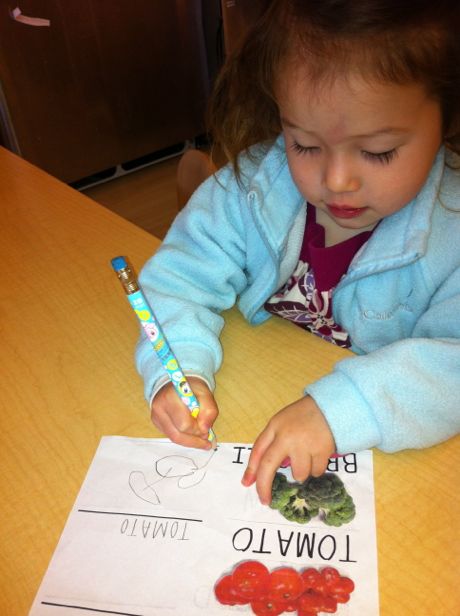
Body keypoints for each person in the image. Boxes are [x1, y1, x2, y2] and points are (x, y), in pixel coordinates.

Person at [135, 0, 460, 505]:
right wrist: (178, 370)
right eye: (304, 144)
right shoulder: (250, 188)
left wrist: (341, 410)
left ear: (447, 119)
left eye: (378, 152)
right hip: (254, 396)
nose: (336, 182)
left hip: (394, 462)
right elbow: (176, 282)